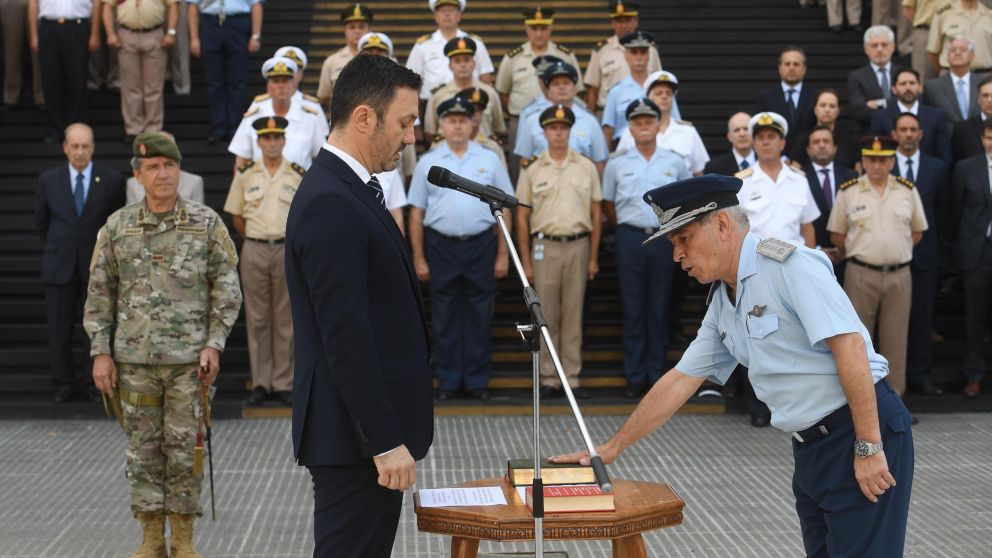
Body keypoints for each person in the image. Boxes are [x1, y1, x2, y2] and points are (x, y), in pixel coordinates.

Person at [550, 173, 915, 558]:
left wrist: (868, 446)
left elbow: (851, 348)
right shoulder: (724, 299)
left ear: (722, 225)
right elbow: (681, 379)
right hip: (812, 448)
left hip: (858, 432)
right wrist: (613, 447)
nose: (677, 256)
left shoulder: (790, 266)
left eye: (683, 239)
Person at [284, 54, 433, 558]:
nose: (411, 136)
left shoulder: (353, 189)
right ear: (364, 116)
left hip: (359, 436)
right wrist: (383, 441)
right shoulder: (331, 200)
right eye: (404, 122)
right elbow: (345, 334)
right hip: (355, 441)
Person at [84, 132, 242, 558]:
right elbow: (99, 293)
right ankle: (152, 537)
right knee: (143, 453)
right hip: (134, 363)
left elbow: (227, 290)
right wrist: (101, 352)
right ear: (138, 176)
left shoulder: (205, 223)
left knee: (185, 451)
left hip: (189, 364)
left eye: (169, 165)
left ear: (179, 169)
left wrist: (214, 344)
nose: (162, 174)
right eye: (152, 167)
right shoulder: (117, 227)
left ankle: (184, 539)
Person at [408, 96, 513, 401]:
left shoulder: (490, 159)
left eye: (462, 120)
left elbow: (504, 209)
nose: (457, 126)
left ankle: (477, 381)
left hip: (481, 244)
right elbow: (416, 213)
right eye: (451, 121)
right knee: (444, 316)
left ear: (472, 124)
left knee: (480, 315)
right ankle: (449, 381)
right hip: (441, 246)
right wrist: (419, 257)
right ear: (441, 125)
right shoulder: (428, 161)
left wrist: (503, 253)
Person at [602, 98, 690, 398]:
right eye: (637, 123)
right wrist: (626, 228)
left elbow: (686, 203)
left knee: (659, 306)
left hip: (665, 239)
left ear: (657, 125)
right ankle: (635, 376)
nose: (643, 127)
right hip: (630, 238)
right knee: (633, 307)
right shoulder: (617, 163)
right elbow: (608, 203)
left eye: (648, 122)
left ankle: (656, 375)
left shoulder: (674, 161)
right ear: (630, 128)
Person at [828, 136, 928, 397]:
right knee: (857, 341)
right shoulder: (849, 191)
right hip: (861, 274)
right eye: (871, 159)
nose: (876, 165)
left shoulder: (907, 190)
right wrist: (865, 250)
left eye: (882, 160)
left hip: (899, 275)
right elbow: (837, 234)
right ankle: (859, 401)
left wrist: (894, 249)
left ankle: (894, 402)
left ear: (892, 161)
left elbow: (917, 232)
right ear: (863, 160)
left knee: (896, 341)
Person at [515, 104, 602, 399]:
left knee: (573, 315)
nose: (558, 133)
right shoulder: (532, 169)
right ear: (545, 132)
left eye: (563, 128)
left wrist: (593, 257)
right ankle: (550, 377)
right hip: (544, 246)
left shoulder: (586, 167)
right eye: (553, 128)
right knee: (546, 314)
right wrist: (525, 260)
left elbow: (596, 212)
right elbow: (522, 216)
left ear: (570, 131)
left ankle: (571, 377)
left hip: (578, 244)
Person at [33, 122, 124, 403]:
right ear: (65, 147)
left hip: (97, 268)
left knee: (94, 329)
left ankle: (92, 383)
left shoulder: (111, 179)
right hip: (59, 266)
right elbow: (41, 224)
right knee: (59, 331)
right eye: (75, 146)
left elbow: (116, 224)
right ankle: (63, 384)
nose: (80, 151)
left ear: (93, 148)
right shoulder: (48, 180)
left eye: (85, 146)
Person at [224, 116, 303, 407]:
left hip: (285, 249)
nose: (272, 143)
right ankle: (261, 382)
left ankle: (283, 382)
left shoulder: (297, 174)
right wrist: (254, 238)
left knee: (285, 318)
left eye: (276, 137)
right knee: (257, 318)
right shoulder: (246, 174)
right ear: (258, 143)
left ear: (284, 141)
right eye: (266, 138)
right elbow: (237, 216)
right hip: (255, 248)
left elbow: (303, 214)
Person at [890, 113, 949, 396]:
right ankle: (889, 379)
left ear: (921, 134)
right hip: (889, 255)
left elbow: (945, 210)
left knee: (923, 318)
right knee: (889, 322)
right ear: (894, 134)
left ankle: (919, 375)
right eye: (903, 129)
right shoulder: (882, 165)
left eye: (913, 129)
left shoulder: (937, 168)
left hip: (925, 255)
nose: (908, 134)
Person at [495, 7, 580, 166]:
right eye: (534, 28)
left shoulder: (565, 56)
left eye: (543, 28)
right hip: (520, 120)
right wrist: (520, 114)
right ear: (526, 28)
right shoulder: (513, 57)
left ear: (551, 27)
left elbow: (577, 89)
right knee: (520, 166)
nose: (539, 33)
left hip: (560, 120)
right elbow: (503, 92)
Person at [946, 118, 992, 398]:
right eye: (988, 137)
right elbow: (954, 211)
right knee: (975, 318)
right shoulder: (966, 168)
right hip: (977, 253)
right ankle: (974, 374)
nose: (991, 143)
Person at [229, 56, 329, 171]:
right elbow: (241, 160)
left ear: (293, 84)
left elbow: (323, 160)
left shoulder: (309, 117)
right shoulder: (254, 114)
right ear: (268, 87)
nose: (281, 86)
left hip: (301, 181)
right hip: (261, 181)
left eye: (285, 81)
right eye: (276, 81)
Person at [736, 112, 819, 248]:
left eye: (771, 136)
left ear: (782, 144)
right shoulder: (741, 183)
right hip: (757, 258)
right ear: (754, 145)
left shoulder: (799, 180)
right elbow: (736, 231)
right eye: (760, 137)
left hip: (795, 258)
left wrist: (810, 259)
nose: (766, 142)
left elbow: (807, 228)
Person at [101, 0, 178, 143]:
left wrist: (171, 32)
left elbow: (173, 5)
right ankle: (133, 129)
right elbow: (107, 6)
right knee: (130, 85)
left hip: (154, 33)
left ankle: (153, 129)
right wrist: (110, 34)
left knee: (154, 86)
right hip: (127, 33)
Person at [187, 0, 263, 143]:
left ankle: (236, 127)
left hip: (237, 22)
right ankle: (219, 127)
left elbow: (256, 4)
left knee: (237, 80)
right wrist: (194, 38)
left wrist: (255, 35)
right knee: (214, 80)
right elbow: (193, 6)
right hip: (210, 22)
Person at [514, 61, 608, 173]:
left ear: (575, 89)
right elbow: (524, 161)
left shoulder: (590, 121)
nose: (561, 87)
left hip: (580, 180)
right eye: (556, 84)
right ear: (547, 91)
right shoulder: (532, 121)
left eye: (566, 83)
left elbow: (600, 162)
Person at [27, 0, 101, 143]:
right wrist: (34, 35)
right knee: (50, 81)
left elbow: (96, 3)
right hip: (49, 27)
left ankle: (77, 129)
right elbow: (33, 3)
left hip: (78, 27)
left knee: (77, 80)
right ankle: (55, 129)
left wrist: (95, 33)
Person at [615, 70, 709, 175]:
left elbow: (699, 172)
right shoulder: (631, 132)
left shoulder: (688, 132)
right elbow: (619, 167)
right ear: (648, 98)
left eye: (669, 93)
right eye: (659, 93)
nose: (664, 96)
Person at [405, 0, 494, 102]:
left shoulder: (475, 43)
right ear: (436, 17)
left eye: (451, 10)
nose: (447, 14)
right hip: (432, 103)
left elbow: (485, 78)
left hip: (471, 103)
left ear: (459, 16)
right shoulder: (423, 45)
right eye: (443, 11)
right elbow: (411, 81)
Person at [583, 1, 661, 114]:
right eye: (619, 21)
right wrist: (591, 118)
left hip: (644, 112)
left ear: (636, 22)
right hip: (607, 112)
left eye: (628, 20)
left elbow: (658, 83)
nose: (624, 26)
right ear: (612, 23)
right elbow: (592, 88)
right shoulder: (601, 51)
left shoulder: (650, 50)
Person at [422, 36, 504, 143]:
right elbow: (430, 134)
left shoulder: (490, 93)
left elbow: (498, 129)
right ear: (450, 66)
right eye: (457, 61)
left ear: (474, 64)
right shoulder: (438, 96)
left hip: (482, 150)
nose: (462, 65)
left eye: (467, 60)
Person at [801, 125, 858, 267]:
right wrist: (817, 249)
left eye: (826, 141)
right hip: (812, 257)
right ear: (808, 149)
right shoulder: (799, 178)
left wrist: (844, 249)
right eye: (816, 142)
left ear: (835, 147)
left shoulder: (852, 176)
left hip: (849, 258)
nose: (821, 145)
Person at [869, 68, 952, 164]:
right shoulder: (880, 117)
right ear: (894, 89)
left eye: (912, 83)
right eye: (903, 84)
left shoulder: (936, 116)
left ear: (920, 87)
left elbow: (944, 154)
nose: (908, 88)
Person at [755, 46, 817, 145]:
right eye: (787, 64)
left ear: (804, 69)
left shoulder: (815, 97)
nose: (791, 68)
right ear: (780, 68)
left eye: (796, 64)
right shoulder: (766, 98)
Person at [316, 3, 373, 110]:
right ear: (345, 30)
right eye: (352, 27)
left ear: (370, 29)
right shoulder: (331, 62)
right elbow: (324, 97)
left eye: (361, 27)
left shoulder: (385, 59)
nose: (357, 31)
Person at [602, 30, 654, 144]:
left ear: (648, 56)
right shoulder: (615, 92)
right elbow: (608, 131)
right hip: (624, 147)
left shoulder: (661, 89)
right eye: (634, 52)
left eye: (643, 52)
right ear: (626, 55)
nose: (639, 58)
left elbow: (673, 122)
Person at [923, 37, 986, 126]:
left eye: (963, 50)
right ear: (947, 56)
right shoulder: (932, 88)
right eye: (953, 50)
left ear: (972, 55)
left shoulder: (984, 84)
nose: (957, 53)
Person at [790, 88, 859, 169]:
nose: (827, 110)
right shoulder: (802, 141)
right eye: (822, 105)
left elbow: (857, 171)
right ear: (815, 109)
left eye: (832, 106)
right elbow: (795, 171)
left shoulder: (850, 140)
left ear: (838, 111)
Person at [847, 25, 898, 131]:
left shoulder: (904, 74)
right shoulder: (856, 77)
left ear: (893, 47)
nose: (879, 49)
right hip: (871, 133)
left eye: (884, 45)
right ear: (866, 49)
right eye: (874, 45)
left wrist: (879, 103)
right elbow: (860, 111)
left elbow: (910, 104)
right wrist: (894, 106)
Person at [927, 0, 992, 75]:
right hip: (951, 75)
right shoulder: (944, 14)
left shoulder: (989, 14)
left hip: (985, 76)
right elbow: (933, 53)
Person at [3, 0, 45, 109]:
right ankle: (11, 97)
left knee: (40, 50)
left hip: (41, 3)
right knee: (11, 51)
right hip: (12, 3)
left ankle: (42, 96)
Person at [951, 75, 992, 161]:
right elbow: (957, 163)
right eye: (985, 96)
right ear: (978, 99)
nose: (989, 100)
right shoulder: (962, 129)